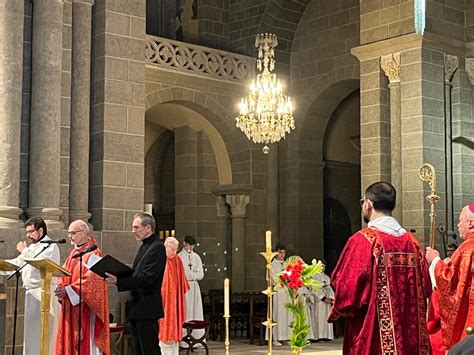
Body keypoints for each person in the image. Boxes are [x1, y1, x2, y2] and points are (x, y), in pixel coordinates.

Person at [328, 181, 432, 354]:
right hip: (411, 339)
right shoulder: (413, 244)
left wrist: (338, 310)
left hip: (373, 336)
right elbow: (427, 287)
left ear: (368, 204)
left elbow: (347, 289)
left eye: (363, 202)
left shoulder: (363, 241)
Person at [105, 212, 166, 355]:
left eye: (136, 227)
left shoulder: (157, 248)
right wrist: (118, 274)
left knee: (149, 350)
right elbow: (136, 274)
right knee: (137, 349)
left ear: (148, 228)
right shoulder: (145, 246)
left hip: (147, 308)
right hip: (137, 307)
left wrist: (119, 281)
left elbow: (146, 278)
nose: (133, 231)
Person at [0, 217, 60, 355]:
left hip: (44, 293)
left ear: (41, 230)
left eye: (31, 231)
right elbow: (17, 263)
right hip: (30, 294)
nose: (28, 235)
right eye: (27, 232)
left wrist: (24, 251)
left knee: (44, 333)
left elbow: (39, 263)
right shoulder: (32, 247)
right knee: (31, 333)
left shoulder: (50, 246)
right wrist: (2, 265)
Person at [54, 219, 110, 355]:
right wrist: (61, 286)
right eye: (69, 233)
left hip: (86, 308)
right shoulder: (74, 254)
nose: (70, 236)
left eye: (73, 233)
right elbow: (64, 272)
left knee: (87, 344)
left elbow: (92, 280)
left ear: (84, 232)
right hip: (71, 304)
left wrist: (68, 290)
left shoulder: (94, 253)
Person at [426, 204, 474, 352]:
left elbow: (449, 284)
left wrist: (434, 261)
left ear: (471, 223)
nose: (458, 225)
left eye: (461, 221)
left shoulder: (468, 249)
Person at [159, 237, 189, 355]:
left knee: (175, 326)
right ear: (165, 247)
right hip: (163, 300)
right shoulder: (160, 259)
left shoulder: (177, 260)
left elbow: (182, 282)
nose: (175, 252)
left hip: (175, 300)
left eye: (176, 250)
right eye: (172, 249)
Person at [178, 235, 205, 346]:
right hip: (184, 288)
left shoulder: (197, 257)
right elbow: (181, 275)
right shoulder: (179, 257)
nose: (190, 247)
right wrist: (192, 275)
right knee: (186, 311)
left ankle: (197, 339)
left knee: (196, 311)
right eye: (189, 244)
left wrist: (190, 275)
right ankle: (184, 340)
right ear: (184, 243)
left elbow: (201, 274)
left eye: (192, 245)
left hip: (195, 288)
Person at [266, 243, 293, 346]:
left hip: (287, 292)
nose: (282, 255)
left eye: (284, 253)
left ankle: (286, 337)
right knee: (277, 314)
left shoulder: (288, 264)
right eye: (280, 253)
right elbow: (272, 279)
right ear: (276, 253)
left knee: (288, 315)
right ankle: (276, 338)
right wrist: (283, 279)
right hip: (278, 292)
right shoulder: (272, 265)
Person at [307, 262, 334, 342]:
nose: (322, 268)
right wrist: (323, 298)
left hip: (327, 301)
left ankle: (326, 335)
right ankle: (317, 336)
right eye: (321, 266)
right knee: (318, 316)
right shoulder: (313, 277)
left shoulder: (326, 277)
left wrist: (331, 298)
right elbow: (314, 289)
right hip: (318, 301)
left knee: (326, 317)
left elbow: (329, 288)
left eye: (324, 266)